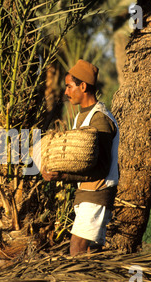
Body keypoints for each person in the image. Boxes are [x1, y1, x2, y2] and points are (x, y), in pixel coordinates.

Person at [41, 59, 119, 256]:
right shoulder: (80, 117)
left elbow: (101, 168)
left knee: (77, 250)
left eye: (69, 86)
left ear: (83, 86)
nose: (66, 92)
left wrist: (65, 177)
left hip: (96, 193)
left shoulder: (99, 119)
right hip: (87, 194)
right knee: (89, 253)